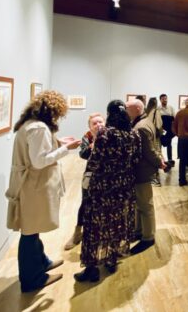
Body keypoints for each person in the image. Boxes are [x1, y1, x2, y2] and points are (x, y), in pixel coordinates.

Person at [6, 90, 81, 292]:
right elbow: (39, 161)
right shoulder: (38, 128)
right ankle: (33, 279)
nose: (58, 118)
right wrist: (66, 149)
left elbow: (38, 151)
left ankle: (42, 263)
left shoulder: (30, 124)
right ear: (51, 111)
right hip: (34, 186)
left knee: (32, 229)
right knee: (30, 232)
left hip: (32, 185)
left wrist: (59, 142)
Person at [75, 100, 141, 282]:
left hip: (102, 188)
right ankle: (111, 260)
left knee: (95, 226)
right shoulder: (134, 135)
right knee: (116, 223)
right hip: (124, 187)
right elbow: (136, 160)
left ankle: (92, 268)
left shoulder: (106, 134)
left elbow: (94, 161)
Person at [126, 99, 166, 255]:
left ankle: (148, 237)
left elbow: (148, 150)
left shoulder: (141, 126)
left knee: (145, 205)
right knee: (140, 203)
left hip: (142, 170)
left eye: (127, 108)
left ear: (137, 109)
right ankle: (139, 231)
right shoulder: (144, 122)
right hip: (142, 169)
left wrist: (159, 163)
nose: (125, 111)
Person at [64, 112, 105, 251]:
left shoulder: (110, 135)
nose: (98, 125)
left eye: (100, 122)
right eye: (94, 123)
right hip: (90, 173)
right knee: (86, 202)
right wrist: (92, 147)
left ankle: (102, 232)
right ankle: (77, 232)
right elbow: (82, 154)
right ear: (90, 127)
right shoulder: (87, 137)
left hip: (107, 174)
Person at [146, 97, 164, 186]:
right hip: (155, 137)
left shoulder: (146, 112)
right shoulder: (156, 112)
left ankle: (150, 177)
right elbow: (159, 125)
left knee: (149, 155)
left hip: (147, 135)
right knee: (156, 155)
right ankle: (156, 179)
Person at [159, 94, 176, 170]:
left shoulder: (171, 108)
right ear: (160, 100)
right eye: (163, 99)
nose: (165, 100)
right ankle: (160, 160)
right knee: (159, 145)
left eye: (166, 98)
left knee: (169, 144)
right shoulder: (158, 108)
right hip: (161, 130)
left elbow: (174, 119)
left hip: (169, 130)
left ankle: (170, 160)